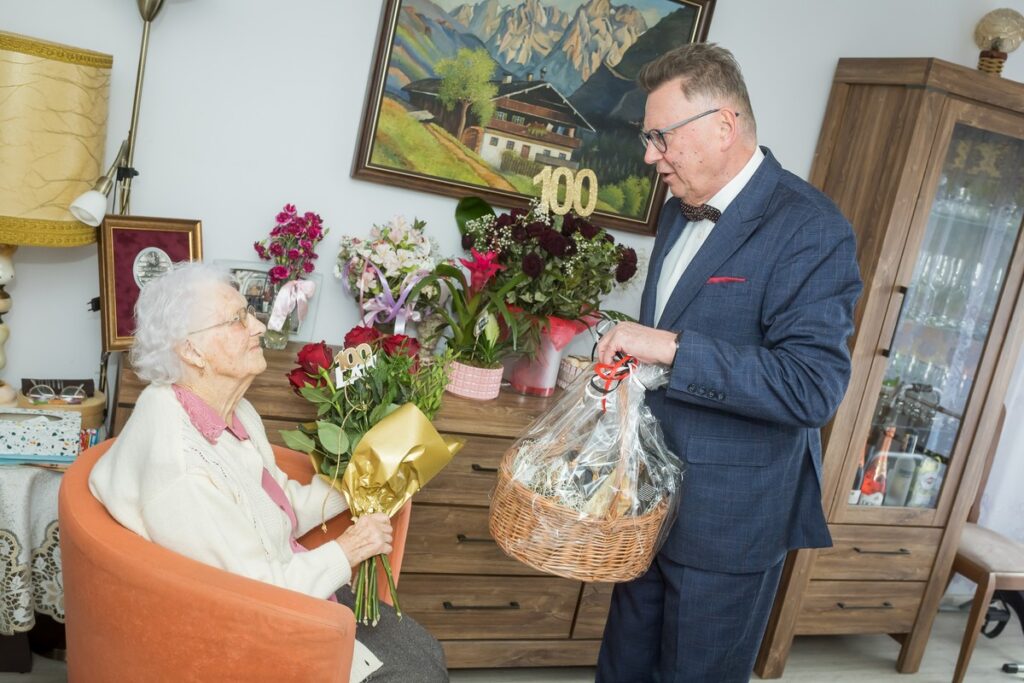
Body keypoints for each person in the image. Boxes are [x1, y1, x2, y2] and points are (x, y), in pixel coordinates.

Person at [595, 43, 862, 682]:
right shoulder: (675, 211)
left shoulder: (813, 229)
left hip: (730, 521)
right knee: (620, 672)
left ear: (724, 125)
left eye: (660, 137)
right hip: (648, 504)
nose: (649, 154)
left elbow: (811, 388)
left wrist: (670, 348)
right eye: (646, 138)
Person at [89, 262, 448, 683]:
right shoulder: (183, 470)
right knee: (416, 673)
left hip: (294, 578)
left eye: (249, 313)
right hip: (246, 630)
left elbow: (281, 505)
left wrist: (362, 481)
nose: (259, 326)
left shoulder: (229, 409)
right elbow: (257, 596)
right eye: (238, 319)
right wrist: (349, 549)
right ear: (191, 351)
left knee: (425, 650)